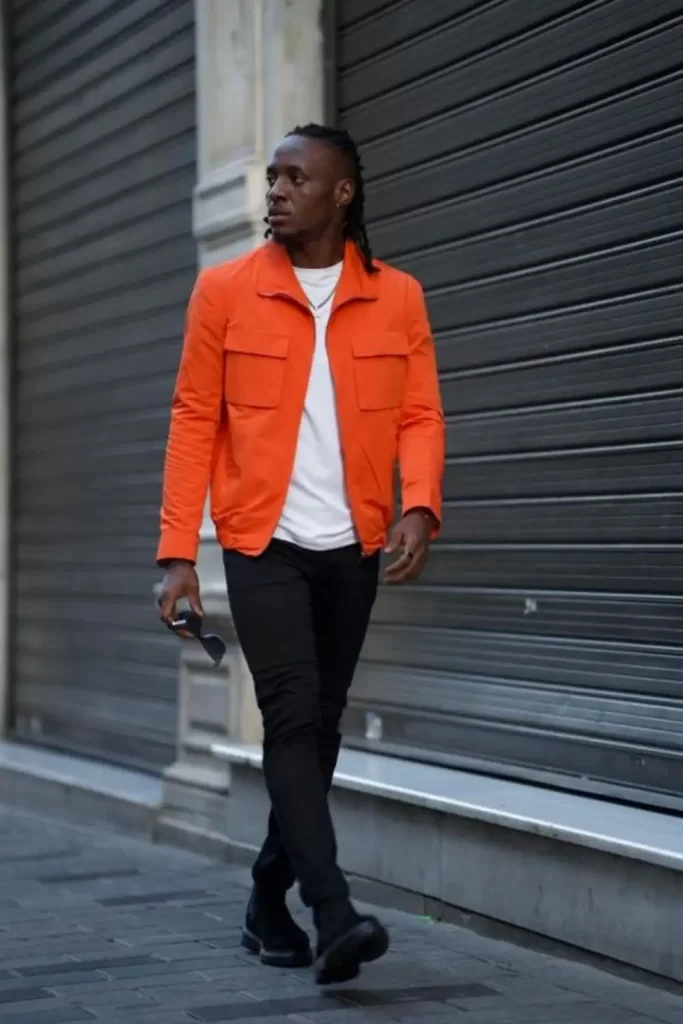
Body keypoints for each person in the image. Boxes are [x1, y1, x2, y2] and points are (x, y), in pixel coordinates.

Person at [157, 124, 445, 985]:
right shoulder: (224, 292)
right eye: (272, 176)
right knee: (289, 715)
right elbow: (191, 421)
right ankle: (332, 911)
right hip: (260, 540)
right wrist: (177, 554)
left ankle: (263, 898)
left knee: (319, 728)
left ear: (341, 193)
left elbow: (420, 413)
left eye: (295, 177)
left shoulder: (397, 297)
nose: (275, 191)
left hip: (352, 541)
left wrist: (420, 504)